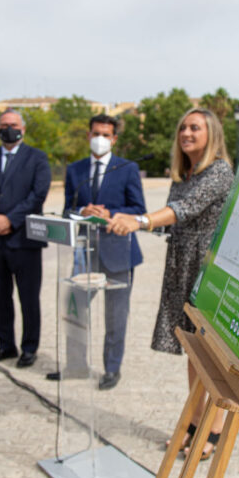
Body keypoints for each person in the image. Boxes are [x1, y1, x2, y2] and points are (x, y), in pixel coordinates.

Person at [109, 107, 234, 458]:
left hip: (207, 268)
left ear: (212, 134)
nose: (186, 133)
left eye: (194, 127)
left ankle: (215, 427)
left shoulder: (220, 171)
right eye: (183, 128)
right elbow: (170, 221)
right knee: (192, 351)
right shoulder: (184, 172)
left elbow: (187, 209)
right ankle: (194, 422)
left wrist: (140, 220)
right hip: (181, 263)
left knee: (212, 352)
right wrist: (122, 217)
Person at [57, 114, 145, 390]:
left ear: (114, 139)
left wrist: (113, 213)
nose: (100, 139)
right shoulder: (75, 170)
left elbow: (139, 209)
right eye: (96, 133)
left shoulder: (127, 168)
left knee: (116, 316)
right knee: (75, 308)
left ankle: (112, 369)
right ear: (88, 135)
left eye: (106, 134)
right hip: (85, 253)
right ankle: (75, 365)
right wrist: (82, 210)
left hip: (119, 253)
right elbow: (66, 210)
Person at [0, 109, 50, 368]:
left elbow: (37, 195)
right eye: (4, 125)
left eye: (13, 125)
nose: (9, 129)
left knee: (28, 298)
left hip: (24, 241)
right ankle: (6, 345)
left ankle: (29, 348)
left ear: (23, 129)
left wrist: (10, 220)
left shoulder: (37, 158)